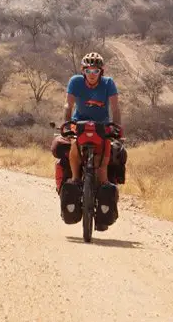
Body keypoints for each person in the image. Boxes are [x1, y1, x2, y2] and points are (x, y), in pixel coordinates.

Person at [50, 52, 122, 228]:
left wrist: (117, 127)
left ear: (101, 72)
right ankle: (75, 178)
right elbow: (68, 104)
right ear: (83, 71)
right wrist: (66, 123)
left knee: (104, 151)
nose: (92, 74)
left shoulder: (108, 84)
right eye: (88, 70)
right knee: (74, 143)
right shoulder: (75, 81)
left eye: (95, 71)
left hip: (101, 125)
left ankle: (102, 186)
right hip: (79, 123)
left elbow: (115, 108)